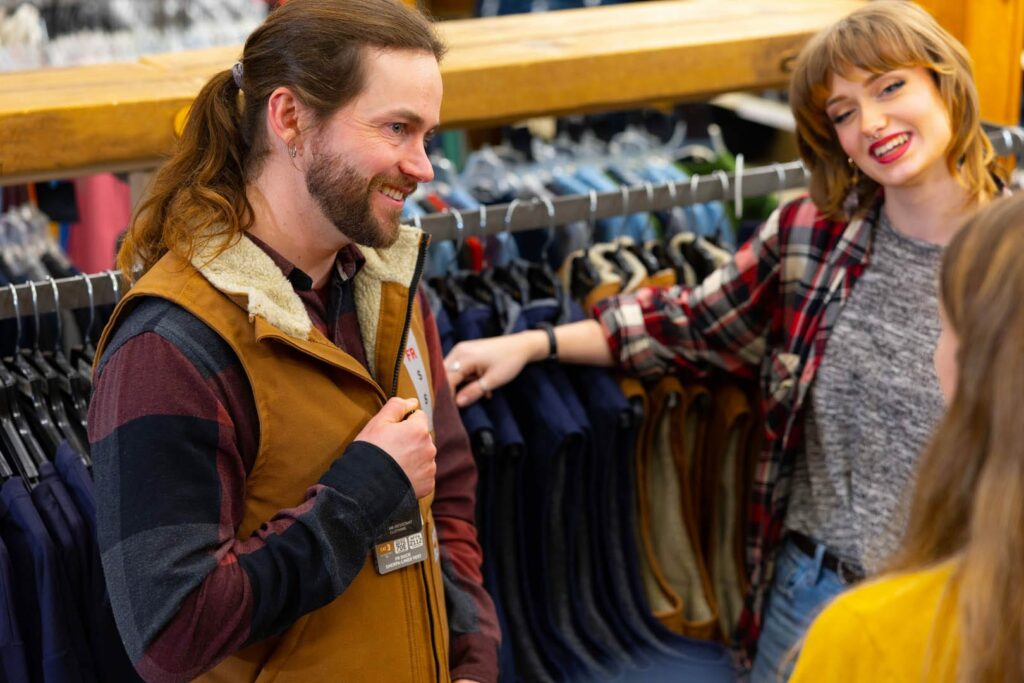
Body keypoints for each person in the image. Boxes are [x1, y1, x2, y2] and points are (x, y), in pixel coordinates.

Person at [443, 2, 1002, 679]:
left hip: (961, 601)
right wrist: (535, 343)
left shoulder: (1010, 259)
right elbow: (689, 322)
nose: (873, 123)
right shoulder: (812, 235)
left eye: (890, 87)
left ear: (943, 81)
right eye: (844, 112)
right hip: (812, 594)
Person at [86, 1, 499, 681]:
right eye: (397, 128)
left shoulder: (389, 283)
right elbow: (172, 635)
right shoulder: (168, 346)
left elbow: (447, 490)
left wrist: (472, 652)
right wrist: (362, 493)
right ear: (289, 118)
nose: (424, 166)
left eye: (427, 134)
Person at [789, 191, 1024, 683]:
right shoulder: (816, 234)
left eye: (941, 327)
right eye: (842, 112)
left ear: (971, 367)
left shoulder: (871, 637)